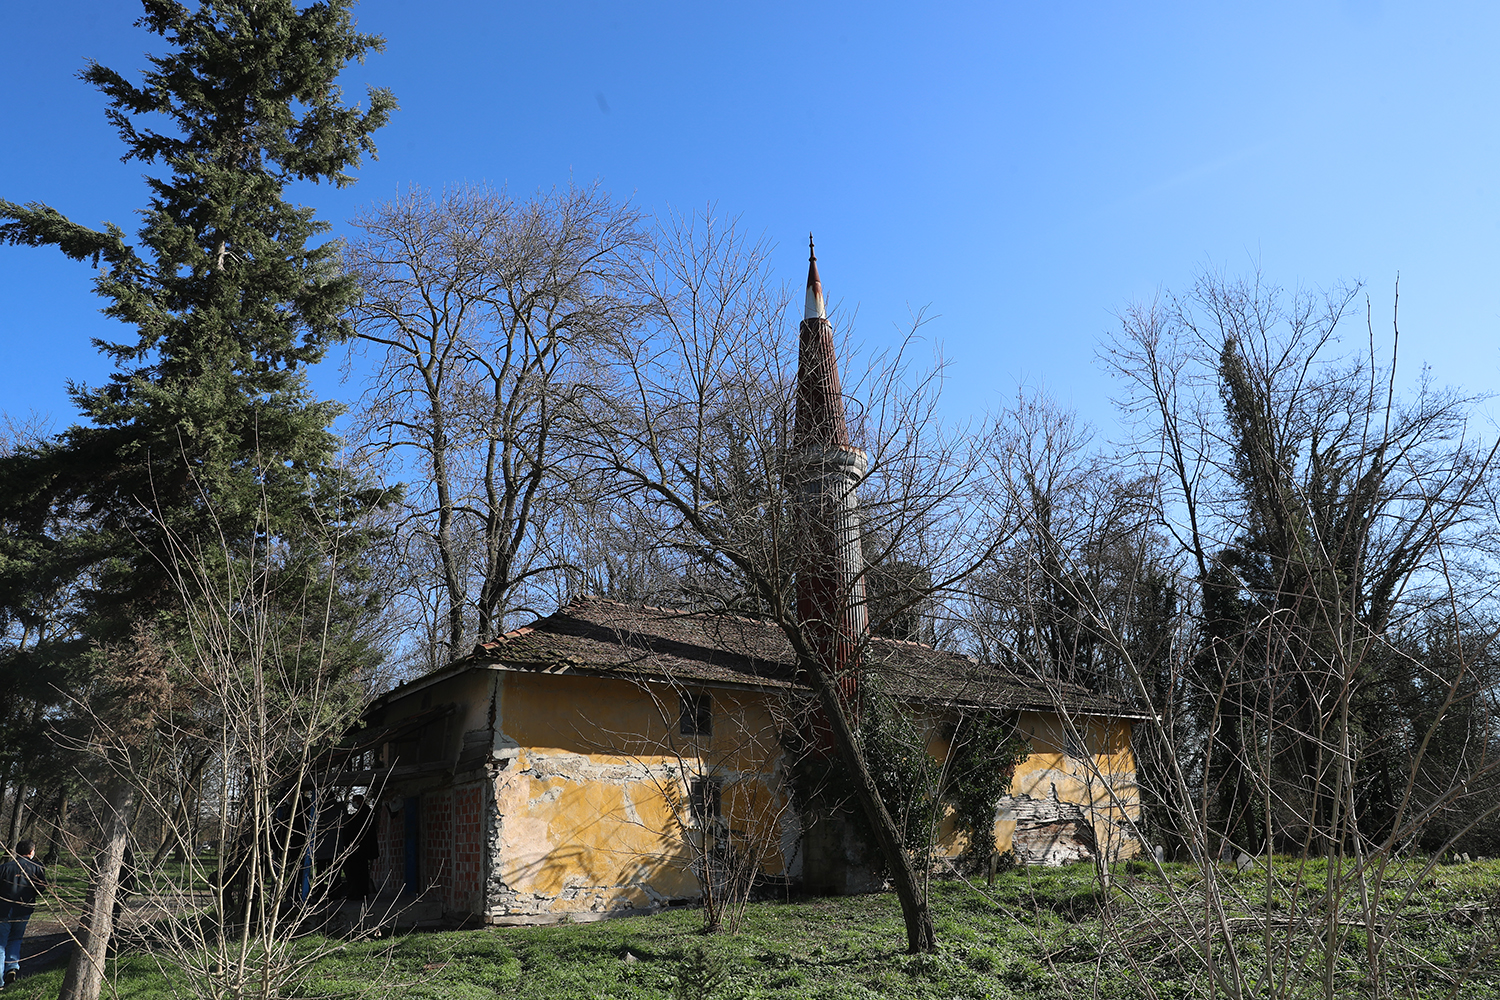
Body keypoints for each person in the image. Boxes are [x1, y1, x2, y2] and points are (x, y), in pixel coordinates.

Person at [0, 840, 46, 987]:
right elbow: (42, 888)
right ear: (32, 851)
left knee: (1, 944)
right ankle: (12, 967)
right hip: (24, 909)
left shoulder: (4, 868)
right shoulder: (37, 867)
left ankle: (0, 980)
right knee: (15, 939)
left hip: (3, 910)